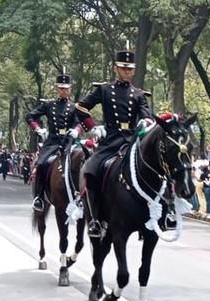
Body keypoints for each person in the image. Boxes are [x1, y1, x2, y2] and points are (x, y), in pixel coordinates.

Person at [77, 50, 155, 238]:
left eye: (129, 69)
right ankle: (95, 218)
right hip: (110, 140)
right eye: (122, 68)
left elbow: (146, 115)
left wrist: (145, 122)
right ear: (115, 69)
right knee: (91, 169)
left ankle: (155, 216)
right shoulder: (104, 90)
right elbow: (81, 106)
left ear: (133, 71)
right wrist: (93, 126)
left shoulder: (138, 94)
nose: (126, 72)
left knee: (153, 170)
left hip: (131, 140)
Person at [27, 70, 83, 210]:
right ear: (57, 89)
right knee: (41, 164)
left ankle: (84, 197)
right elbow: (30, 116)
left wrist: (76, 130)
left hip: (70, 142)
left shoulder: (75, 107)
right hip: (52, 141)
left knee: (83, 162)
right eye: (61, 88)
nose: (64, 91)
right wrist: (38, 129)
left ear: (70, 89)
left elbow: (80, 122)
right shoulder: (49, 105)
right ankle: (39, 197)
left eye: (66, 88)